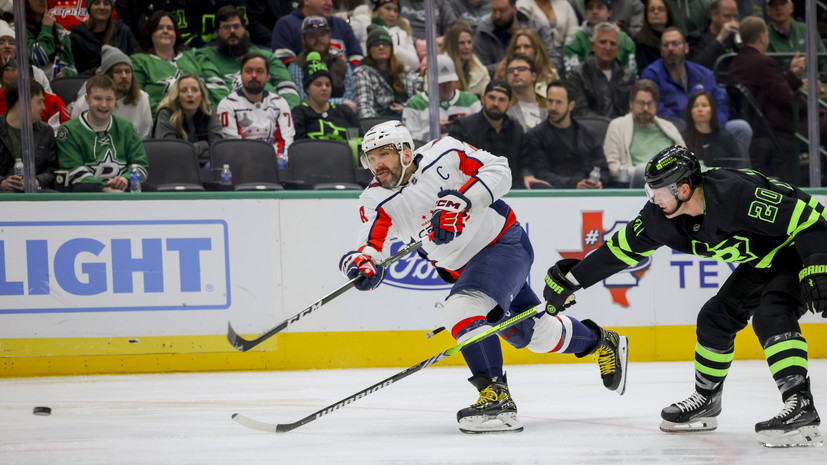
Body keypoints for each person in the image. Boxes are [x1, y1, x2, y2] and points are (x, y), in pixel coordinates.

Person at [345, 119, 628, 433]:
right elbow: (372, 244)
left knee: (461, 310)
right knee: (531, 334)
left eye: (384, 154)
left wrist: (462, 201)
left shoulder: (445, 152)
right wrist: (364, 264)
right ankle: (603, 341)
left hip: (504, 245)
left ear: (406, 151)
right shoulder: (375, 199)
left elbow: (499, 170)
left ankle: (496, 396)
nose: (377, 164)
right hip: (467, 270)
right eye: (371, 158)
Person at [542, 145, 825, 448]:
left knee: (773, 314)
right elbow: (619, 251)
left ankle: (801, 406)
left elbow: (809, 220)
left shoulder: (734, 194)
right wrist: (571, 282)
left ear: (685, 188)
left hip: (802, 246)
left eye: (659, 192)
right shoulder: (659, 218)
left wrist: (819, 264)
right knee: (715, 319)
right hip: (763, 259)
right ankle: (706, 400)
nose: (654, 200)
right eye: (650, 192)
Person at [640, 27, 752, 150]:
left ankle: (733, 168)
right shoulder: (651, 75)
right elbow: (656, 109)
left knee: (742, 128)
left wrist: (714, 126)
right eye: (666, 45)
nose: (671, 48)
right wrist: (688, 128)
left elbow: (720, 103)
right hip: (675, 131)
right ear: (661, 50)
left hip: (708, 128)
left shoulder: (704, 74)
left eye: (675, 43)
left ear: (686, 48)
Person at [193, 5, 300, 110]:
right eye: (226, 27)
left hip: (272, 115)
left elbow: (287, 88)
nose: (232, 31)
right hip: (230, 118)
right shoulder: (202, 56)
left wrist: (286, 115)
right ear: (217, 32)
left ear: (244, 29)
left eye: (236, 26)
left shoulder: (265, 56)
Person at [56, 74, 148, 192]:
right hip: (90, 193)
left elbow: (140, 164)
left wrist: (125, 179)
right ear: (87, 99)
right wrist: (104, 189)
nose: (104, 104)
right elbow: (72, 170)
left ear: (115, 100)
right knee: (84, 188)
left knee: (149, 189)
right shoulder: (69, 130)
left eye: (109, 99)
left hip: (123, 189)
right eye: (98, 98)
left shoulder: (127, 128)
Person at [521, 80, 609, 189]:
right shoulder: (535, 136)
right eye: (550, 101)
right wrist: (573, 184)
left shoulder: (589, 134)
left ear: (571, 106)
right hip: (555, 194)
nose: (553, 107)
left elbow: (603, 168)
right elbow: (541, 173)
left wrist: (599, 182)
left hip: (589, 194)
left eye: (559, 102)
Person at [130, 10, 218, 113]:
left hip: (200, 117)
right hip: (160, 120)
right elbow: (137, 94)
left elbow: (213, 87)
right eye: (159, 28)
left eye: (170, 28)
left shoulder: (194, 56)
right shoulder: (138, 61)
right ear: (150, 33)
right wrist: (166, 113)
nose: (165, 31)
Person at [217, 52, 295, 166]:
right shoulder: (227, 105)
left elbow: (285, 142)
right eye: (248, 71)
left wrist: (274, 161)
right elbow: (234, 145)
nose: (254, 76)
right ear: (241, 75)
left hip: (275, 164)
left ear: (267, 76)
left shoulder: (280, 103)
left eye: (259, 71)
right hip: (241, 164)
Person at [603, 79, 684, 186]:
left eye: (649, 104)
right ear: (631, 104)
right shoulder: (617, 126)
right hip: (636, 183)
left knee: (704, 170)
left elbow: (684, 158)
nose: (645, 108)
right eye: (641, 103)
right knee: (641, 170)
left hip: (671, 184)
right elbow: (614, 168)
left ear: (656, 105)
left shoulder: (669, 127)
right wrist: (652, 174)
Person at [448, 80, 525, 189]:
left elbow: (523, 163)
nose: (495, 104)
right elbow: (452, 165)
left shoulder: (516, 129)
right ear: (483, 99)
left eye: (502, 99)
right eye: (492, 98)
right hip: (471, 190)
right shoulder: (462, 127)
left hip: (511, 190)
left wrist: (527, 175)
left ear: (510, 104)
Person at [70, 46, 153, 140]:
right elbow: (75, 138)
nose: (124, 76)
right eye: (118, 72)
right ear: (106, 76)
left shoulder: (142, 99)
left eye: (128, 71)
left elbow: (145, 137)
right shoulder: (85, 103)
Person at [567, 22, 638, 120]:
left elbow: (633, 109)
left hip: (623, 130)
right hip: (590, 130)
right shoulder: (577, 74)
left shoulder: (629, 76)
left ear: (618, 48)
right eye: (603, 42)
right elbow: (580, 111)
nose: (608, 48)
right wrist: (608, 124)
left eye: (612, 43)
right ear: (593, 45)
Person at [403, 55, 481, 141]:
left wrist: (468, 122)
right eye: (441, 82)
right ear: (430, 80)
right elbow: (408, 140)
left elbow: (482, 134)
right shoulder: (414, 105)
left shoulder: (472, 101)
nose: (446, 86)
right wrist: (434, 130)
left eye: (449, 81)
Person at [288, 16, 356, 113]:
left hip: (342, 116)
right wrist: (341, 102)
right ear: (303, 39)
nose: (318, 39)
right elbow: (303, 100)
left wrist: (342, 104)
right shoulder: (297, 65)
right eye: (312, 35)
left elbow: (350, 100)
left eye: (322, 34)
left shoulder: (342, 64)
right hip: (311, 117)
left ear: (329, 36)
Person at [474, 0, 563, 75]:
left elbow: (554, 61)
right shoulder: (484, 32)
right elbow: (480, 71)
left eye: (502, 10)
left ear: (514, 10)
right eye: (494, 10)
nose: (497, 15)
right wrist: (508, 66)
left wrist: (528, 68)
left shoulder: (537, 29)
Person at [352, 26, 422, 120]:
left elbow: (420, 100)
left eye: (385, 44)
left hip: (408, 121)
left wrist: (406, 109)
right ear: (369, 50)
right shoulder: (361, 73)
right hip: (380, 124)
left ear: (391, 48)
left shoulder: (405, 70)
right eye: (376, 44)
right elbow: (365, 108)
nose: (381, 47)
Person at [153, 73, 223, 166]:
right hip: (173, 168)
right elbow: (170, 153)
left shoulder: (209, 112)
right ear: (177, 96)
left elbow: (217, 150)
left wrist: (186, 150)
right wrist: (203, 145)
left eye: (194, 90)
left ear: (201, 95)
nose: (190, 94)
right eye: (184, 90)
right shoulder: (166, 114)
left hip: (206, 166)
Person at [0, 81, 57, 192]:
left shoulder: (46, 131)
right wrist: (2, 182)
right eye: (40, 102)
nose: (44, 107)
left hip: (35, 192)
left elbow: (52, 169)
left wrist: (37, 180)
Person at [291, 52, 360, 142]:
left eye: (328, 85)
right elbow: (299, 147)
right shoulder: (299, 113)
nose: (324, 88)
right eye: (318, 84)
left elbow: (363, 140)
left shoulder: (345, 111)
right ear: (307, 89)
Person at [271, 0, 364, 67]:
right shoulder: (287, 24)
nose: (330, 3)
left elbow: (357, 58)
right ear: (306, 1)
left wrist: (345, 74)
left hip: (343, 82)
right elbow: (283, 62)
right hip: (306, 86)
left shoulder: (341, 25)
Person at [563, 0, 637, 75]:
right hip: (585, 85)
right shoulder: (575, 41)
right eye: (590, 8)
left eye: (600, 7)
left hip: (619, 84)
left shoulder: (624, 39)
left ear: (610, 13)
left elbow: (632, 75)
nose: (594, 11)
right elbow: (571, 76)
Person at [682, 90, 749, 168]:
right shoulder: (683, 138)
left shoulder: (726, 137)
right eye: (695, 106)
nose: (700, 109)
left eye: (704, 105)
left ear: (712, 110)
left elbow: (739, 169)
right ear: (690, 111)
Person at [69, 0, 138, 77]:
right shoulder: (76, 36)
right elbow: (72, 72)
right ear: (89, 7)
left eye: (106, 4)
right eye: (96, 3)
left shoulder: (123, 32)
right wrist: (94, 73)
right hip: (88, 85)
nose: (102, 7)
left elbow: (136, 61)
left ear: (111, 8)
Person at [0, 60, 70, 134]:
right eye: (6, 85)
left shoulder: (53, 103)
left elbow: (62, 137)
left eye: (16, 86)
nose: (9, 91)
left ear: (32, 82)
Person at [350, 0, 419, 71]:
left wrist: (391, 46)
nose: (392, 14)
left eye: (396, 10)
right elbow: (348, 45)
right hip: (368, 72)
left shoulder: (404, 30)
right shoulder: (363, 21)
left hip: (398, 75)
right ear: (377, 9)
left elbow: (415, 63)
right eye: (388, 8)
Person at [765, 0, 827, 77]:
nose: (779, 8)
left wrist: (821, 81)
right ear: (768, 10)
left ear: (791, 7)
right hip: (784, 85)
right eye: (774, 4)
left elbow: (824, 60)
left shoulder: (807, 29)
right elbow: (767, 71)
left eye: (783, 3)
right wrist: (796, 80)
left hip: (812, 84)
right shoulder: (764, 34)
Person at [493, 28, 560, 98]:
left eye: (527, 46)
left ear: (536, 49)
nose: (522, 51)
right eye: (518, 47)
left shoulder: (550, 74)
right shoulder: (503, 72)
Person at [25, 0, 77, 78]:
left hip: (56, 85)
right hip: (31, 84)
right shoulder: (19, 30)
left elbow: (72, 68)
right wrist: (46, 29)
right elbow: (39, 59)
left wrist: (65, 73)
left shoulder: (59, 30)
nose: (42, 1)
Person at [439, 20, 490, 97]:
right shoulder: (438, 67)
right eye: (462, 43)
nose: (467, 47)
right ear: (452, 46)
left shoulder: (481, 71)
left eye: (469, 42)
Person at [686, 0, 741, 70]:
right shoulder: (695, 37)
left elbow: (744, 56)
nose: (732, 20)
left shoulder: (734, 37)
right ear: (714, 15)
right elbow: (697, 65)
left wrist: (739, 36)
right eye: (727, 16)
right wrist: (720, 38)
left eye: (735, 16)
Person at [0, 20, 52, 93]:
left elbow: (48, 100)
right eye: (1, 43)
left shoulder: (36, 72)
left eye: (11, 43)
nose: (7, 46)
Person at [503, 54, 546, 132]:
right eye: (511, 70)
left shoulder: (548, 104)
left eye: (521, 69)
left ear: (533, 76)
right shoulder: (504, 107)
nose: (515, 73)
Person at [634, 0, 675, 73]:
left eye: (660, 9)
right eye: (652, 10)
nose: (656, 12)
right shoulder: (639, 40)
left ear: (668, 13)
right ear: (646, 15)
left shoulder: (675, 36)